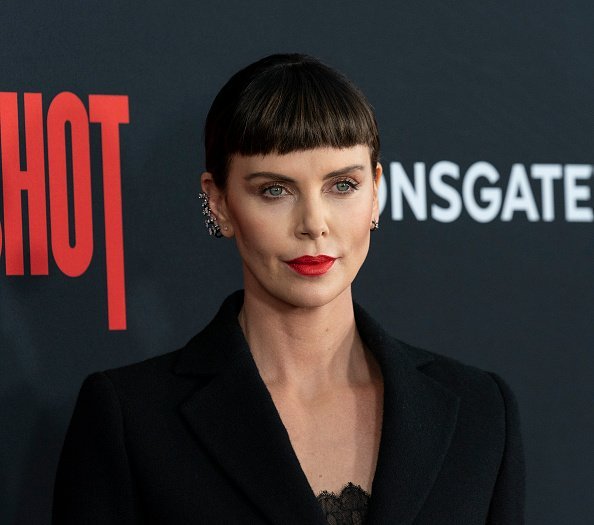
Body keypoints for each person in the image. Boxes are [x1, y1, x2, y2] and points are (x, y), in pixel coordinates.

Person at [53, 54, 525, 524]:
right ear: (218, 202)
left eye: (342, 185)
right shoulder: (132, 419)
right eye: (275, 191)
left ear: (376, 192)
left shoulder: (480, 412)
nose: (314, 225)